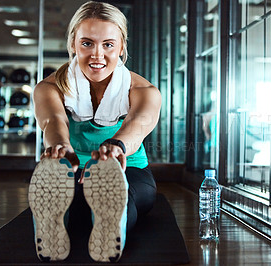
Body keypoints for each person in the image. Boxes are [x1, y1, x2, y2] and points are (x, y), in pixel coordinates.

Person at [28, 1, 161, 262]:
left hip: (127, 169)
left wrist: (117, 146)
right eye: (87, 43)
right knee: (74, 198)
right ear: (73, 44)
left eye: (108, 44)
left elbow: (140, 122)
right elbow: (53, 121)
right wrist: (60, 147)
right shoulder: (49, 87)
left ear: (122, 46)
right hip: (72, 171)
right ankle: (59, 218)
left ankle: (105, 220)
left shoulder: (144, 90)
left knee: (122, 198)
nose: (97, 55)